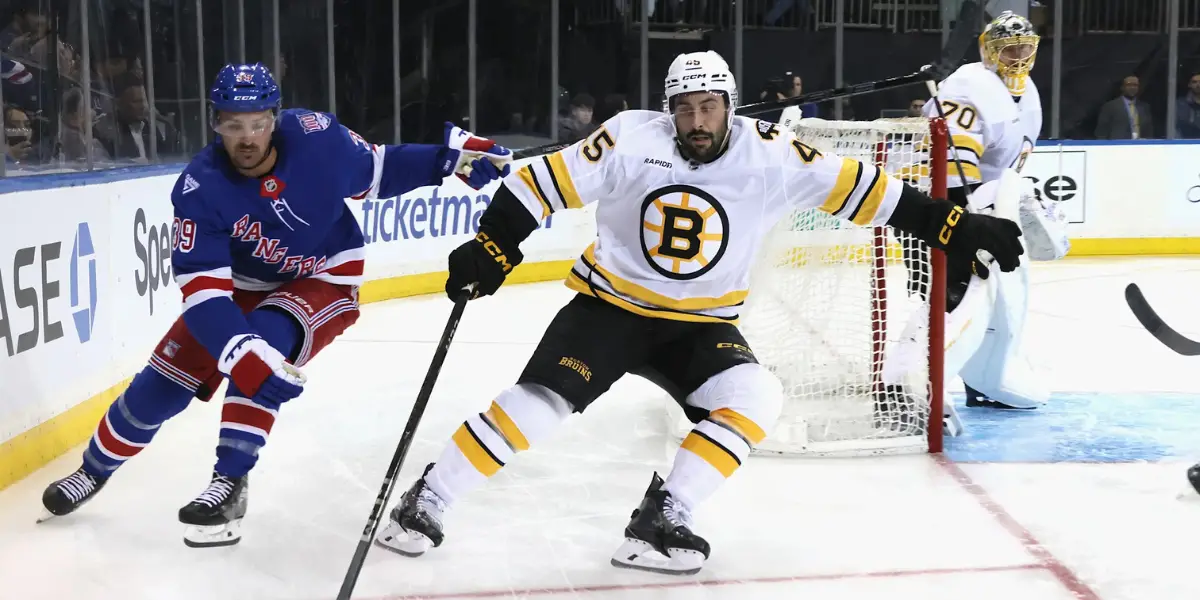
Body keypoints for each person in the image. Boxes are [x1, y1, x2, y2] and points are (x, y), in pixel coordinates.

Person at [373, 50, 1024, 575]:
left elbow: (871, 194)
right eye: (684, 109)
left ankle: (662, 519)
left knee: (756, 397)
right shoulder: (630, 139)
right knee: (542, 404)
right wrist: (493, 244)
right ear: (668, 112)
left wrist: (955, 224)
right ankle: (424, 501)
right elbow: (536, 185)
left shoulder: (773, 154)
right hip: (611, 309)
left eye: (709, 106)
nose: (697, 121)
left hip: (702, 325)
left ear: (729, 107)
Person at [38, 63, 512, 548]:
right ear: (215, 123)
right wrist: (234, 346)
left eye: (259, 123)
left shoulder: (319, 140)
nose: (247, 138)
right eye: (233, 125)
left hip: (322, 278)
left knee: (263, 345)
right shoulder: (199, 189)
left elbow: (381, 169)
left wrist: (448, 161)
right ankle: (92, 471)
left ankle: (229, 483)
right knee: (158, 387)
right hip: (240, 286)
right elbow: (203, 293)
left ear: (275, 117)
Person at [919, 11, 1068, 420]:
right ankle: (916, 388)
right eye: (1008, 50)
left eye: (1025, 48)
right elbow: (948, 176)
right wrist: (964, 225)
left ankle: (980, 383)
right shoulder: (970, 85)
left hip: (981, 211)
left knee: (995, 301)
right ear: (989, 52)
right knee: (952, 300)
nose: (1018, 57)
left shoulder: (1028, 92)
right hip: (938, 211)